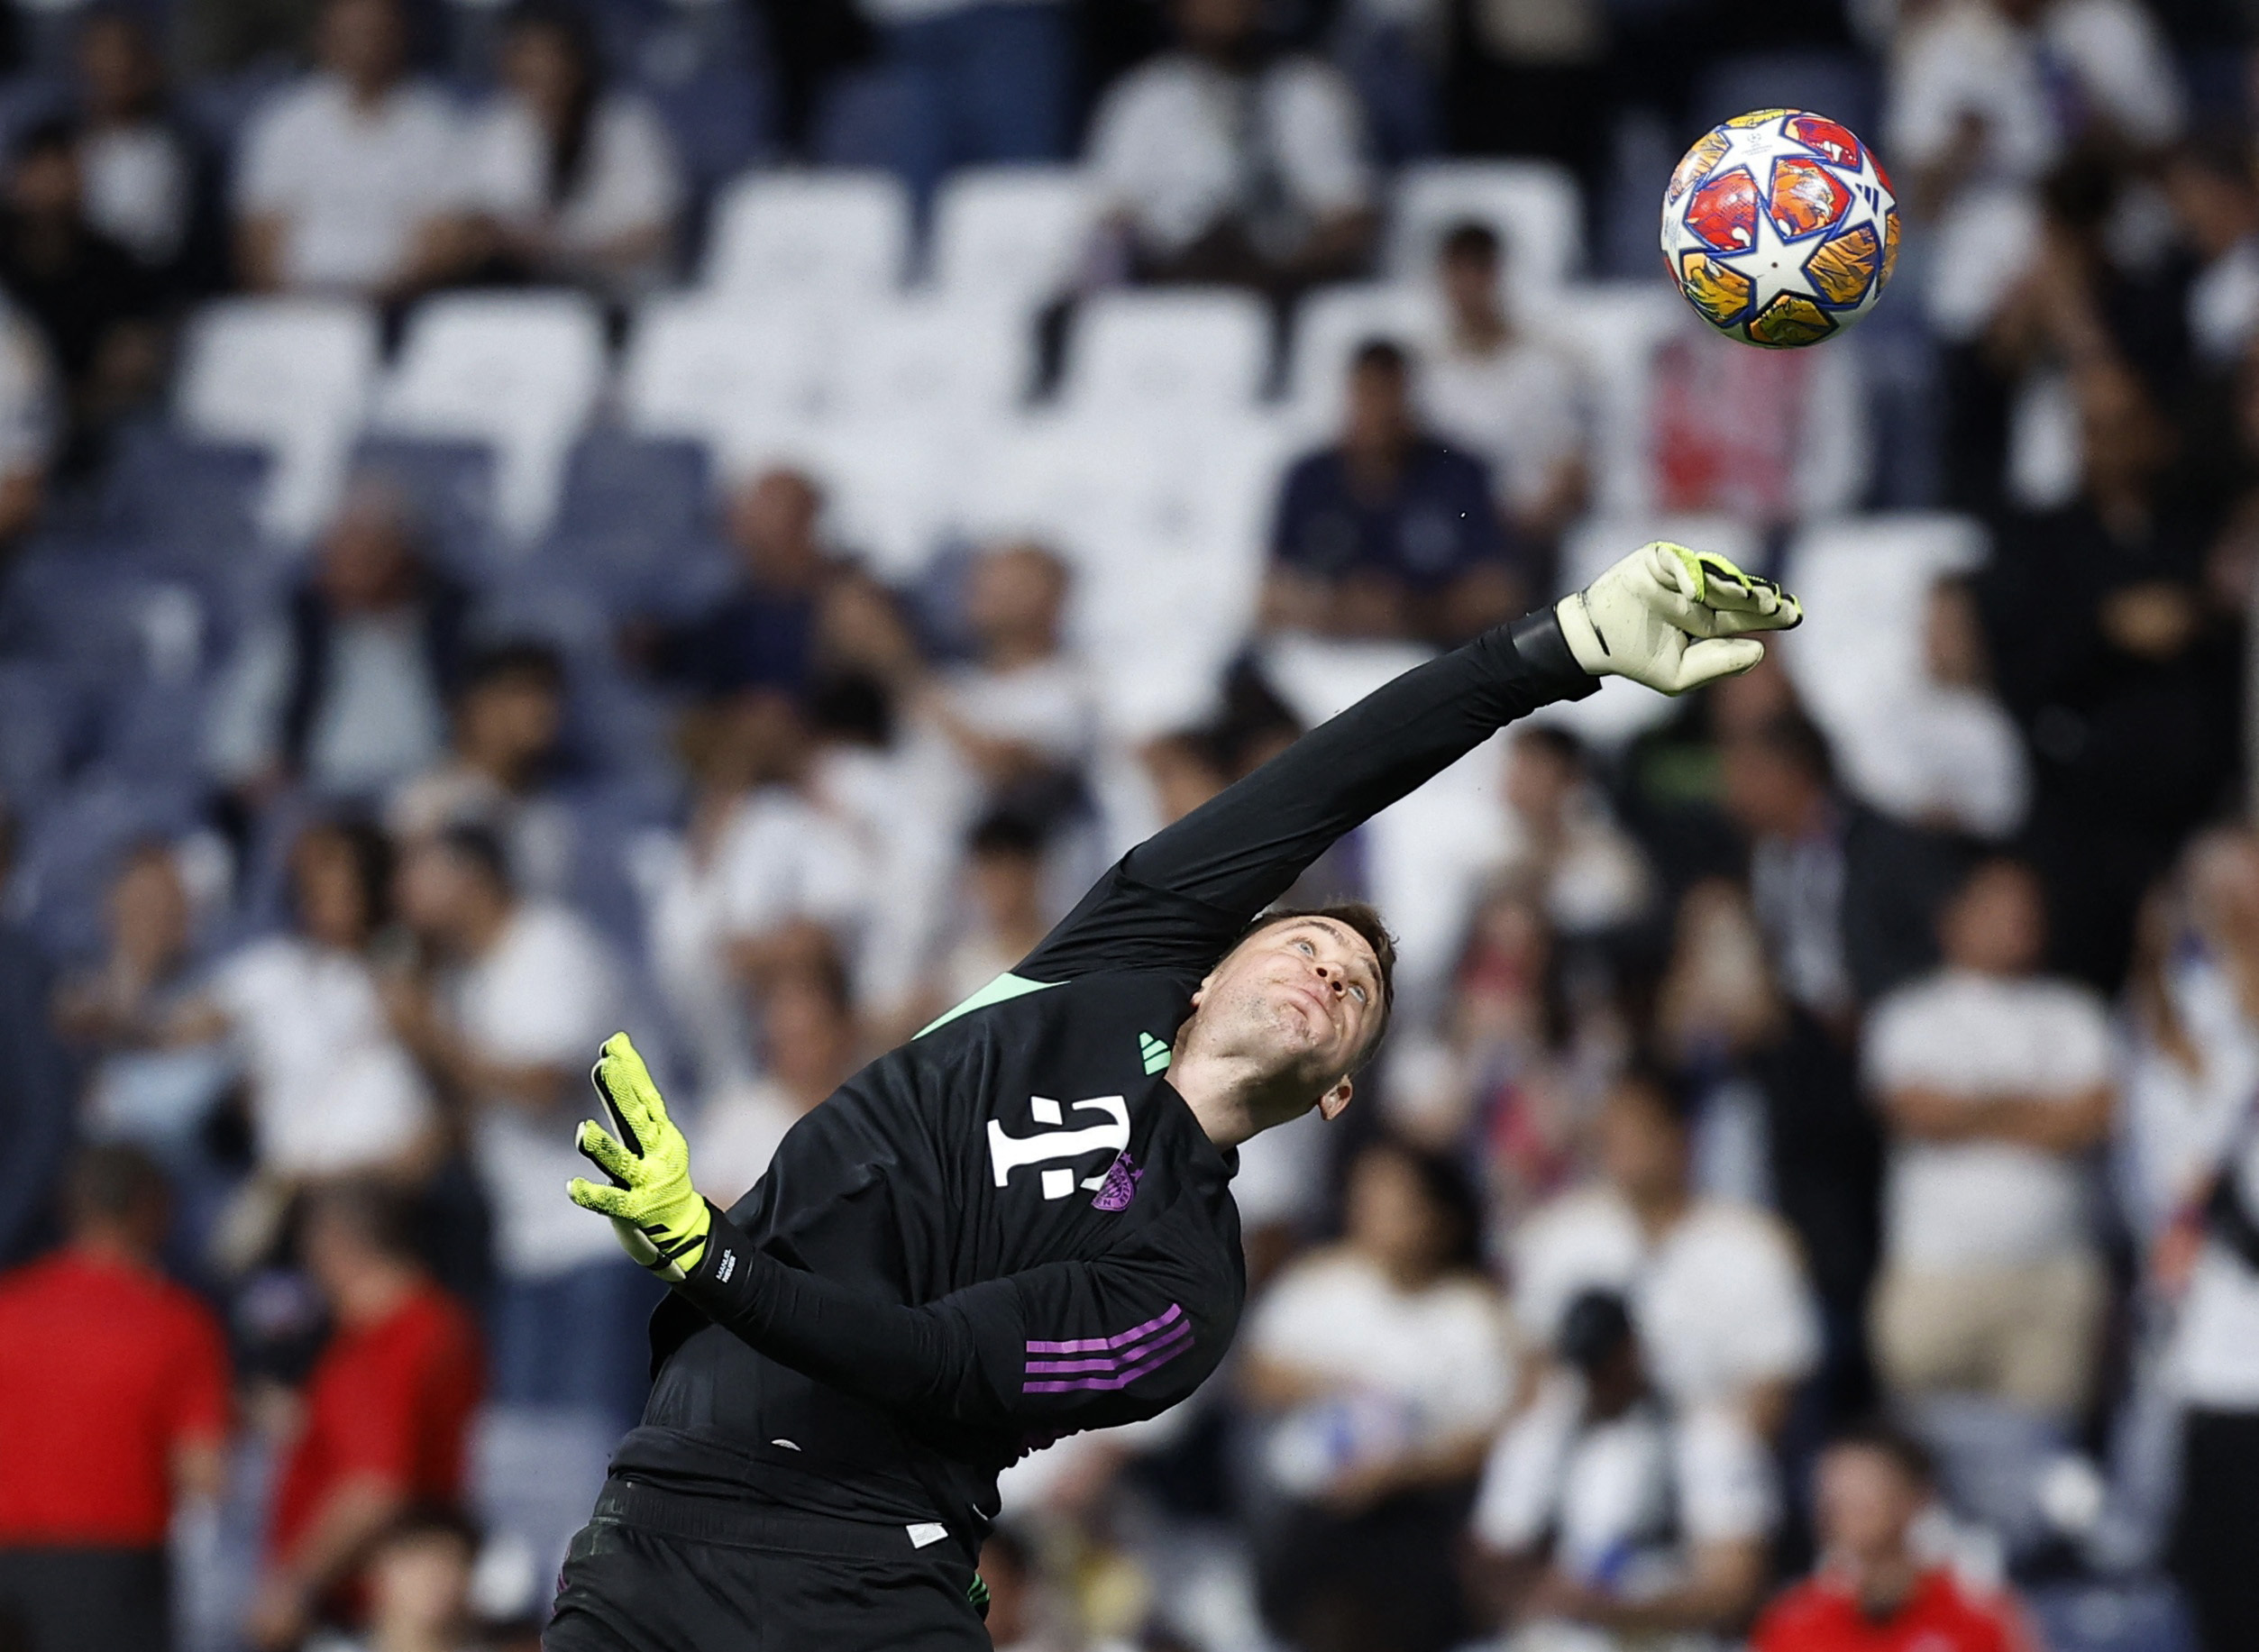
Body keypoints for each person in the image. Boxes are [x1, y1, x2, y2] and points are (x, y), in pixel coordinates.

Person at [542, 540, 1803, 1649]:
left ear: (1335, 1094)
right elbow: (1330, 777)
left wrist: (711, 1261)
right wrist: (1560, 645)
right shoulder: (1107, 966)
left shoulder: (1185, 1288)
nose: (1325, 966)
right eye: (1305, 940)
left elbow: (930, 1363)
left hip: (864, 1572)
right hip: (665, 1522)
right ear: (1207, 970)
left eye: (1354, 988)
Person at [388, 825, 649, 1433]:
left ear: (471, 876)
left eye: (418, 872)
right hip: (527, 1244)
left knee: (596, 1448)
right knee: (533, 1458)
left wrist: (429, 1035)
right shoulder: (462, 977)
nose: (401, 891)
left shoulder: (552, 947)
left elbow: (544, 1083)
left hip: (604, 1240)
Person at [1863, 857, 2115, 1421]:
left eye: (2029, 909)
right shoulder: (1910, 1015)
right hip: (1938, 1270)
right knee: (1922, 1441)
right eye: (1999, 908)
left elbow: (2091, 1117)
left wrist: (1973, 1112)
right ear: (1952, 920)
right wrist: (2037, 1110)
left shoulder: (2077, 1014)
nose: (2018, 921)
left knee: (2043, 1453)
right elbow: (1918, 1113)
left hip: (2052, 1277)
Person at [1242, 1137, 1514, 1652]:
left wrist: (1400, 1471)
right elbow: (1257, 1376)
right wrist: (1330, 1386)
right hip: (1314, 1510)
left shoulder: (1473, 1314)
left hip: (1418, 1514)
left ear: (1439, 1216)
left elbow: (1491, 1433)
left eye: (1397, 1203)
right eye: (1367, 1198)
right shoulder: (1321, 1282)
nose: (1376, 1216)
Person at [1507, 1063, 1821, 1438]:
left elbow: (1773, 1386)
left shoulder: (1751, 1244)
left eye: (1639, 1132)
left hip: (1703, 1442)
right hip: (1583, 1443)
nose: (1625, 1148)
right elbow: (1533, 1366)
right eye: (1611, 1134)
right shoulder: (1557, 1235)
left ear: (1680, 1135)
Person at [0, 1145, 230, 1652]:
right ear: (152, 1210)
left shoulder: (8, 1310)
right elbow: (203, 1471)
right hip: (117, 1568)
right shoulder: (177, 1324)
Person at [1468, 1291, 1775, 1651]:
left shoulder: (1707, 1436)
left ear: (1632, 1350)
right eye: (1585, 1366)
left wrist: (1615, 1611)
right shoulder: (1542, 1433)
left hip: (1667, 1636)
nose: (1595, 1379)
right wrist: (1537, 1590)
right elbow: (1492, 1554)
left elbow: (1734, 1585)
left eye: (1604, 1362)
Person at [251, 1181, 483, 1652]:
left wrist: (291, 1589)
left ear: (336, 1245)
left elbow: (372, 1489)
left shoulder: (380, 1345)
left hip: (358, 1614)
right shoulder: (444, 1324)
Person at [204, 479, 468, 805]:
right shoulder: (296, 630)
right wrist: (261, 774)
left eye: (370, 551)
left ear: (408, 555)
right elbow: (237, 740)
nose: (349, 566)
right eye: (340, 550)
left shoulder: (457, 624)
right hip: (314, 800)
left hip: (426, 798)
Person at [1085, 0, 1375, 297]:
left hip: (1285, 289)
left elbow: (1350, 218)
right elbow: (1112, 224)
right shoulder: (1141, 99)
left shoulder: (1310, 91)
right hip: (1171, 291)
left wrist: (1276, 274)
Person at [1265, 340, 1519, 646]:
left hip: (1436, 657)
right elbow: (1269, 596)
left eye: (1388, 394)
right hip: (1327, 660)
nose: (1378, 411)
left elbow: (1498, 593)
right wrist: (1339, 609)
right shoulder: (1310, 478)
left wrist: (1408, 611)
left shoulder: (1458, 475)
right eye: (1367, 394)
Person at [233, 0, 474, 297]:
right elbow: (258, 241)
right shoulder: (283, 123)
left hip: (399, 308)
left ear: (400, 36)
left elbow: (445, 241)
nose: (364, 44)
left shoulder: (436, 126)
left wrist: (378, 298)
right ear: (324, 38)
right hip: (297, 307)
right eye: (352, 32)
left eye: (375, 32)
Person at [1750, 1423, 2035, 1652]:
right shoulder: (1793, 1620)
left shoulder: (1976, 1614)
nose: (1845, 1504)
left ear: (1916, 1496)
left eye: (1864, 1487)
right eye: (1835, 1491)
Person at [462, 3, 683, 298]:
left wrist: (564, 250)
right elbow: (481, 225)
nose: (541, 68)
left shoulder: (626, 125)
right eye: (526, 53)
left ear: (578, 59)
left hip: (618, 296)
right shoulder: (497, 127)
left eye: (550, 54)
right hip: (523, 293)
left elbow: (653, 235)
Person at [1419, 222, 1590, 561]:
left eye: (1477, 272)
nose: (1466, 287)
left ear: (1495, 276)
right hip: (1439, 533)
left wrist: (1523, 522)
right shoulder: (1421, 369)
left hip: (1520, 534)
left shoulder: (1543, 366)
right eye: (1457, 273)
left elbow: (1570, 468)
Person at [0, 116, 162, 459]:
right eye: (41, 173)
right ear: (18, 178)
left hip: (80, 420)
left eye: (65, 173)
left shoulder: (113, 262)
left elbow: (131, 358)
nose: (53, 188)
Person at [388, 640, 573, 899]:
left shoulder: (573, 797)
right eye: (522, 692)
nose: (543, 708)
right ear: (477, 707)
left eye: (549, 692)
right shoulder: (428, 806)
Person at [696, 953, 860, 1208]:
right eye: (786, 1039)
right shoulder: (736, 1120)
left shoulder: (878, 1110)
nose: (799, 1054)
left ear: (843, 1030)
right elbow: (707, 1217)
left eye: (809, 1037)